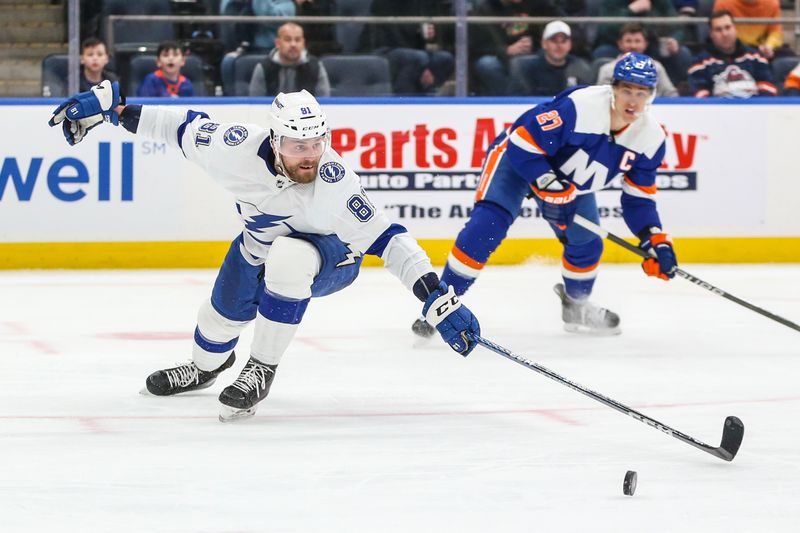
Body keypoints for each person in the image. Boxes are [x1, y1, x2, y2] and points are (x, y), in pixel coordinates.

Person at [48, 84, 481, 421]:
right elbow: (177, 126)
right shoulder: (233, 148)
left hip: (331, 258)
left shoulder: (336, 182)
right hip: (256, 249)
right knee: (214, 324)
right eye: (298, 146)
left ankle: (261, 368)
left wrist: (438, 300)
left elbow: (392, 241)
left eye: (317, 143)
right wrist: (110, 110)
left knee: (289, 259)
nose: (310, 155)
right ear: (274, 140)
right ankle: (205, 368)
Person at [413, 53, 678, 338]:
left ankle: (576, 306)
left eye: (641, 93)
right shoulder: (581, 106)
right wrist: (547, 184)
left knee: (587, 244)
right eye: (626, 90)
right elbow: (522, 141)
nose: (632, 101)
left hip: (569, 184)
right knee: (486, 227)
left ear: (652, 95)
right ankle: (440, 304)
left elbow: (638, 199)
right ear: (613, 88)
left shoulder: (650, 139)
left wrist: (654, 238)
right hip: (518, 162)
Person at [470, 0, 566, 96]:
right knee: (487, 64)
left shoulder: (538, 4)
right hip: (499, 56)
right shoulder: (486, 7)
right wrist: (506, 50)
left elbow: (559, 23)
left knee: (549, 57)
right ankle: (507, 102)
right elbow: (477, 47)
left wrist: (535, 44)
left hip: (531, 53)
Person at [359, 0, 454, 95]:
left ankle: (426, 96)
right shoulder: (383, 3)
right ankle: (403, 101)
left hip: (414, 53)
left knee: (445, 58)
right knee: (417, 58)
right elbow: (392, 36)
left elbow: (428, 29)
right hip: (381, 50)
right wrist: (423, 65)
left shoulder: (421, 3)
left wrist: (430, 33)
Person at [688, 10, 777, 98]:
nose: (725, 34)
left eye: (728, 27)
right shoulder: (699, 63)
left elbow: (769, 89)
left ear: (735, 28)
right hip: (718, 111)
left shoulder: (756, 57)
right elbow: (700, 98)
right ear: (711, 34)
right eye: (718, 30)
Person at [509, 20, 592, 96]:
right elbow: (519, 101)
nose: (559, 46)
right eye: (554, 41)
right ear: (544, 43)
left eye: (563, 41)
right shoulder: (528, 68)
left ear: (570, 44)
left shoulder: (579, 67)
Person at [249, 22, 331, 97]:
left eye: (297, 40)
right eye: (288, 39)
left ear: (303, 43)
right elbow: (256, 103)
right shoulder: (264, 67)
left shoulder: (315, 66)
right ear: (278, 43)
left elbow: (324, 102)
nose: (293, 44)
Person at [596, 23, 679, 97]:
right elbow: (602, 98)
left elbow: (671, 94)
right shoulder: (607, 70)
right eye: (628, 41)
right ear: (620, 44)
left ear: (645, 44)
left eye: (637, 41)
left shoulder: (656, 67)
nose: (633, 46)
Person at [712, 0, 784, 60]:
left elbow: (776, 32)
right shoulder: (723, 3)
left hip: (762, 48)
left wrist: (769, 46)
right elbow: (719, 29)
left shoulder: (772, 3)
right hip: (734, 48)